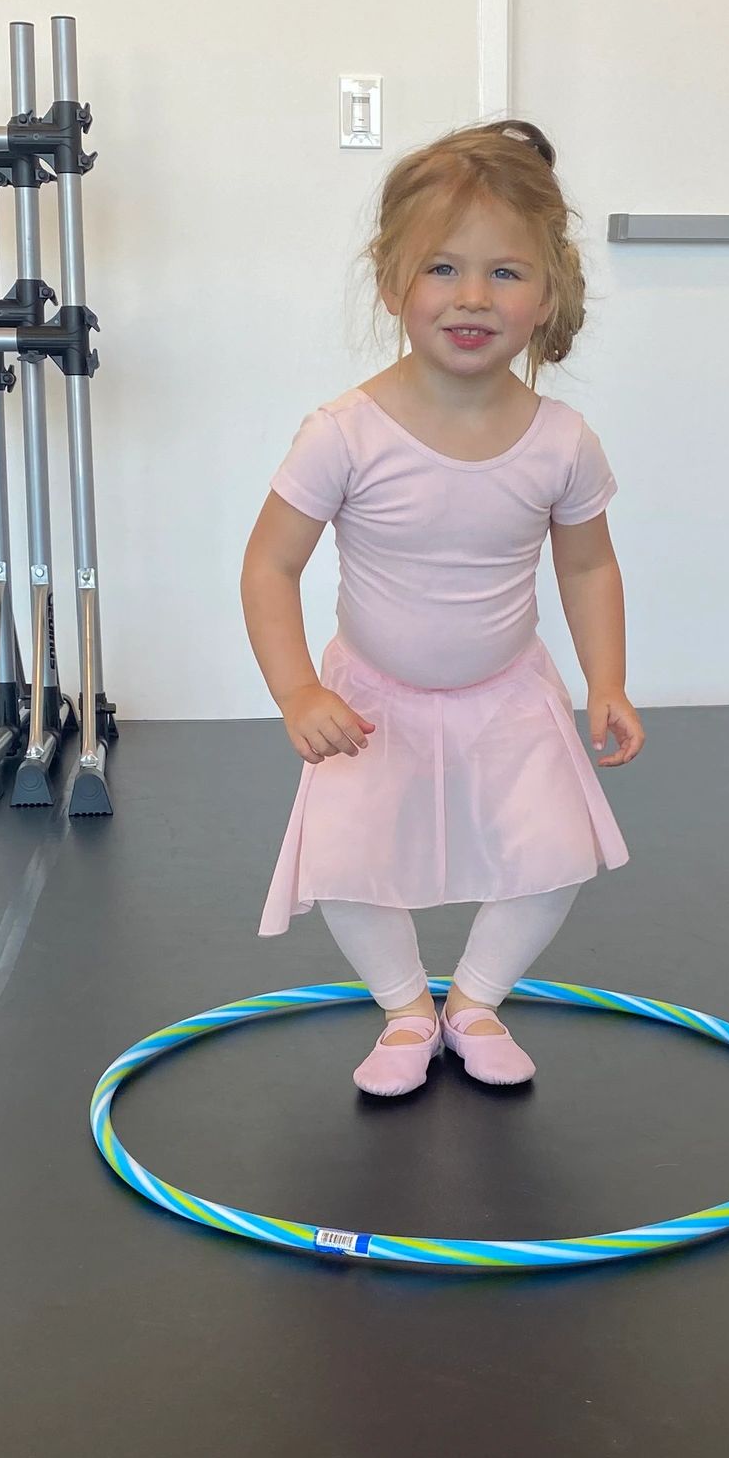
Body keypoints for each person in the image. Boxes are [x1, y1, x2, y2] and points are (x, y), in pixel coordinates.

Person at [240, 119, 643, 1096]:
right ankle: (403, 1012)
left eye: (507, 273)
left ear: (548, 293)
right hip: (374, 700)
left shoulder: (561, 441)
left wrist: (608, 682)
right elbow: (268, 566)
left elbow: (588, 566)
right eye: (443, 269)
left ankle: (474, 999)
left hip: (509, 692)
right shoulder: (344, 433)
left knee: (553, 854)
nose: (473, 297)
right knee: (350, 862)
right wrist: (297, 692)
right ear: (391, 284)